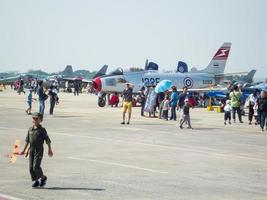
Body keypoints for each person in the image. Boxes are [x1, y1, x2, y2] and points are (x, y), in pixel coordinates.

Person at [20, 112, 53, 188]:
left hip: (39, 150)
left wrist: (50, 149)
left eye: (36, 118)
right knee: (31, 167)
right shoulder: (30, 129)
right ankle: (36, 181)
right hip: (31, 150)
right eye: (33, 118)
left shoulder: (42, 130)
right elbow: (27, 140)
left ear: (40, 120)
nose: (34, 120)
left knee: (36, 167)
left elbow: (47, 140)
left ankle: (43, 178)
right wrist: (23, 150)